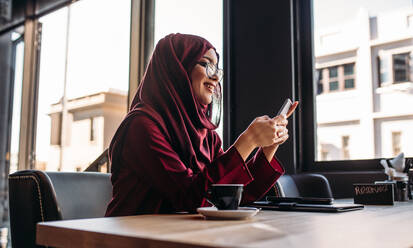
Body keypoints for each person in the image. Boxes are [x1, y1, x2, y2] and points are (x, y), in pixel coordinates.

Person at [105, 33, 298, 216]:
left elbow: (232, 195)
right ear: (176, 69)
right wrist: (249, 140)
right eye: (206, 65)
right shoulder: (141, 126)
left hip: (178, 235)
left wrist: (268, 147)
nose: (215, 78)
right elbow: (190, 198)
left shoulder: (207, 135)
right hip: (130, 238)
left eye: (217, 70)